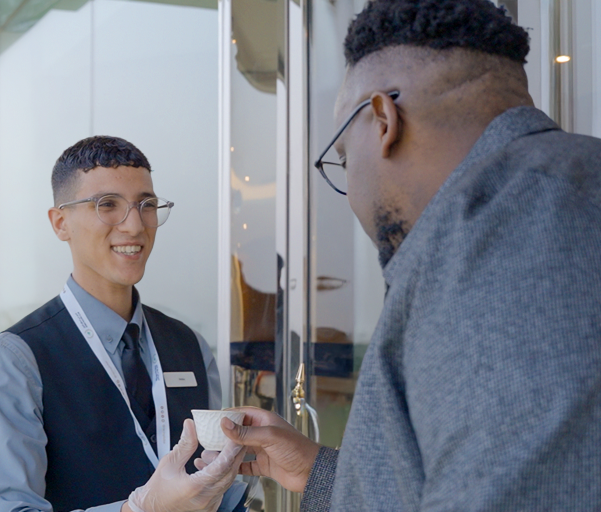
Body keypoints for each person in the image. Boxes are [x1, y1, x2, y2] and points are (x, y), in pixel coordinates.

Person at [196, 0, 601, 509]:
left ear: (384, 120)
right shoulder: (553, 197)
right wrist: (319, 471)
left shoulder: (513, 241)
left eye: (341, 159)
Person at [0, 136, 245, 512]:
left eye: (146, 205)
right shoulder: (18, 358)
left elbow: (219, 490)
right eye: (108, 205)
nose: (134, 226)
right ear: (60, 222)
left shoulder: (191, 346)